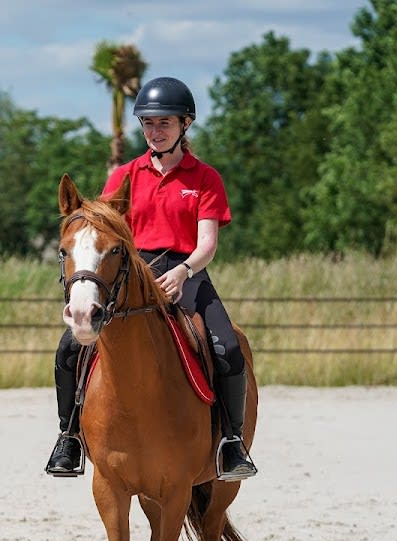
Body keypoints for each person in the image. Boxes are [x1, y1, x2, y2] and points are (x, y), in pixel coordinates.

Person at [45, 76, 257, 481]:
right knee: (69, 349)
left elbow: (207, 243)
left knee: (227, 348)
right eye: (148, 124)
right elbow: (105, 236)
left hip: (186, 273)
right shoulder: (124, 175)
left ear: (185, 125)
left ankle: (231, 443)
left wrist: (183, 271)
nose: (155, 132)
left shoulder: (204, 178)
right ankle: (68, 437)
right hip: (130, 275)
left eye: (164, 124)